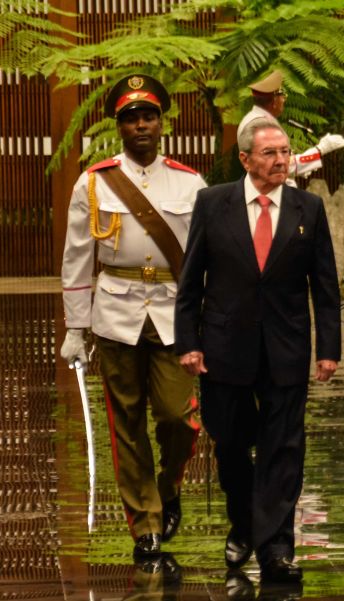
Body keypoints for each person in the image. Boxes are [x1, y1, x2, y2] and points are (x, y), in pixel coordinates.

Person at [174, 118, 341, 584]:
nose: (281, 161)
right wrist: (187, 342)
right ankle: (243, 523)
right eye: (269, 153)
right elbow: (191, 281)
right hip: (225, 346)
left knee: (283, 448)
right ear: (245, 159)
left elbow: (324, 286)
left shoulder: (309, 207)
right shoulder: (213, 203)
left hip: (287, 347)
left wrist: (329, 348)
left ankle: (277, 547)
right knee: (229, 442)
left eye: (285, 152)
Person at [59, 74, 207, 560]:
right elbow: (78, 255)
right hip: (116, 311)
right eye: (131, 118)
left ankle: (167, 488)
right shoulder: (94, 181)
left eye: (148, 116)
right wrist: (75, 328)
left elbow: (206, 257)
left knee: (176, 418)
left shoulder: (190, 182)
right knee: (126, 424)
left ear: (161, 123)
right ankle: (145, 524)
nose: (141, 125)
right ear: (118, 126)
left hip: (173, 312)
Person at [237, 68, 344, 179]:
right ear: (274, 101)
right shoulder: (262, 126)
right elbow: (278, 166)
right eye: (282, 94)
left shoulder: (255, 119)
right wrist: (320, 150)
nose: (284, 99)